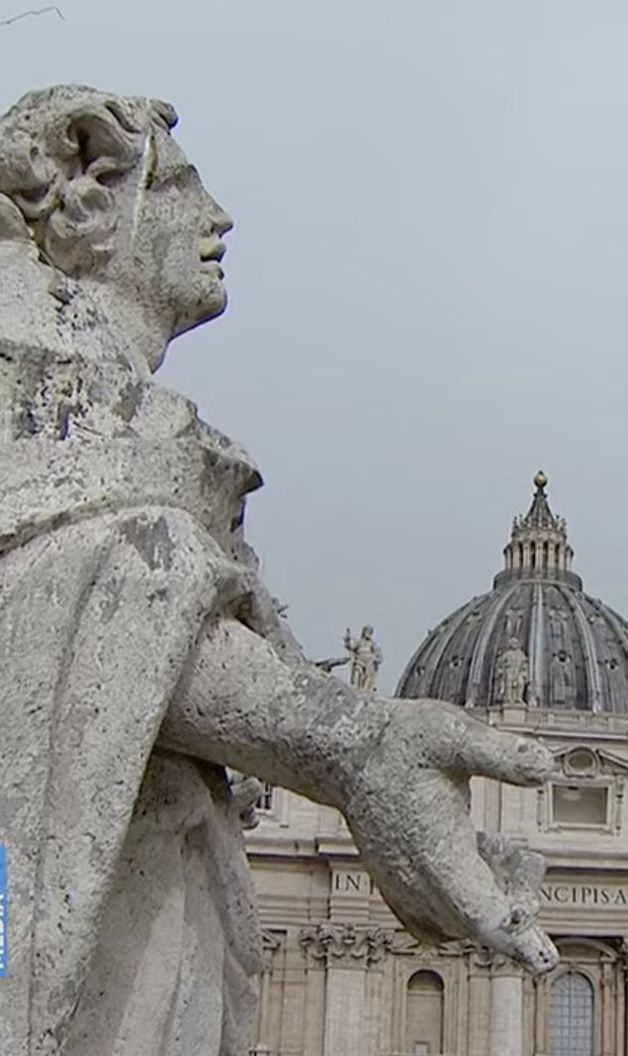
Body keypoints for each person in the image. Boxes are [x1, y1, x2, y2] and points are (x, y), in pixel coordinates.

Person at [0, 86, 558, 1056]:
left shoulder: (124, 423)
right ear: (88, 183)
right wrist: (348, 743)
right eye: (179, 188)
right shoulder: (31, 388)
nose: (219, 220)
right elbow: (101, 588)